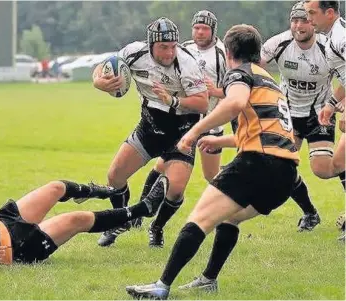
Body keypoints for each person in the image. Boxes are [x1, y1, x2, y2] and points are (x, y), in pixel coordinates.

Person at [125, 24, 301, 300]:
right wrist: (219, 141)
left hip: (258, 165)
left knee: (198, 219)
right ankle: (208, 279)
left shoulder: (239, 74)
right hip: (286, 174)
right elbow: (267, 133)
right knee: (230, 218)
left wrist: (194, 133)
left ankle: (161, 286)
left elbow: (234, 103)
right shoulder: (268, 80)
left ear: (229, 52)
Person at [0, 156, 169, 270]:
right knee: (75, 219)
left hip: (2, 221)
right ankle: (142, 209)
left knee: (56, 188)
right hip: (16, 247)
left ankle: (105, 191)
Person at [92, 17, 208, 247]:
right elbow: (106, 63)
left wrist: (172, 100)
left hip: (182, 131)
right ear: (150, 45)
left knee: (175, 190)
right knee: (115, 176)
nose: (169, 52)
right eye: (163, 47)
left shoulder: (187, 63)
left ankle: (157, 228)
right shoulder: (135, 52)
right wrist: (98, 81)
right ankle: (122, 220)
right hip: (150, 126)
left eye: (173, 46)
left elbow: (203, 103)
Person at [129, 11, 227, 247]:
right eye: (196, 28)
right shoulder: (181, 48)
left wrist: (212, 92)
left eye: (205, 28)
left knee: (210, 175)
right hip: (184, 121)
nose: (200, 32)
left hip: (211, 122)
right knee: (163, 166)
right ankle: (142, 216)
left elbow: (231, 90)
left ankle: (226, 211)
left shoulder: (221, 54)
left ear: (214, 31)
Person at [260, 2, 335, 231]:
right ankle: (310, 214)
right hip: (288, 114)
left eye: (304, 20)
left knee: (322, 168)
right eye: (295, 20)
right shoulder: (278, 43)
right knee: (281, 169)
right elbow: (253, 67)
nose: (299, 26)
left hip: (320, 113)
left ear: (313, 22)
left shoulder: (328, 47)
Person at [305, 0, 346, 241]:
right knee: (339, 162)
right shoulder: (332, 37)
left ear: (329, 13)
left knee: (340, 160)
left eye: (312, 13)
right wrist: (331, 105)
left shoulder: (341, 37)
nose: (308, 18)